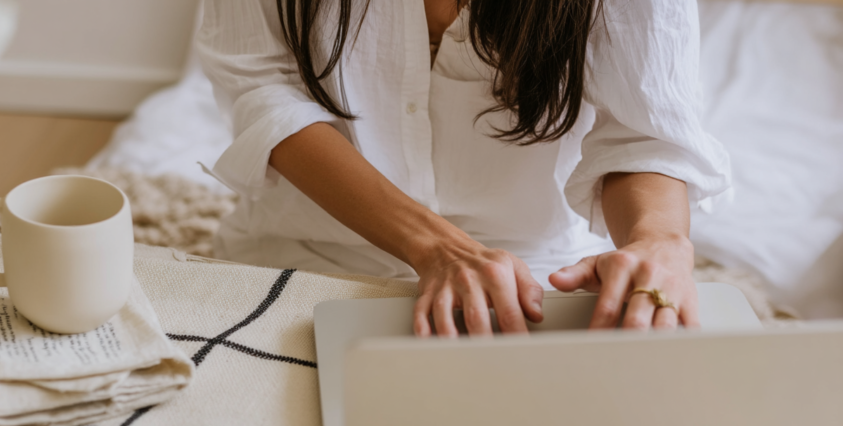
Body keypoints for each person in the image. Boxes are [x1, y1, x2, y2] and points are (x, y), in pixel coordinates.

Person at [196, 0, 731, 336]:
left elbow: (641, 129)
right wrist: (434, 246)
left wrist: (656, 240)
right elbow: (263, 87)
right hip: (301, 259)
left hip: (542, 284)